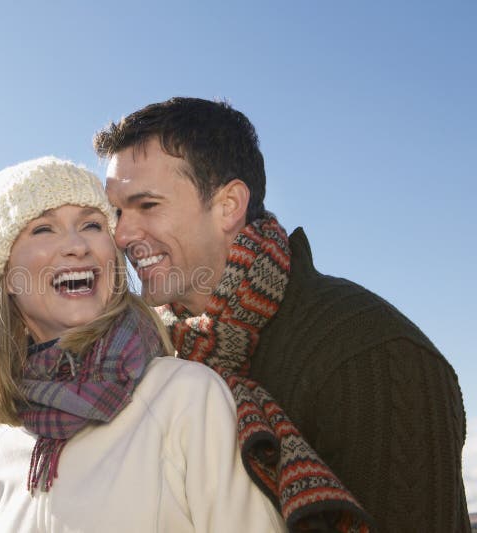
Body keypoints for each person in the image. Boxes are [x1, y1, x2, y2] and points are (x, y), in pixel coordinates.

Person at [94, 97, 469, 532]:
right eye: (118, 212)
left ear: (229, 205)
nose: (121, 234)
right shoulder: (151, 361)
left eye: (147, 205)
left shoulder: (371, 354)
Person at [0, 156, 287, 532]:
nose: (76, 246)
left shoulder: (185, 396)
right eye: (43, 230)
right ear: (6, 276)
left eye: (92, 225)